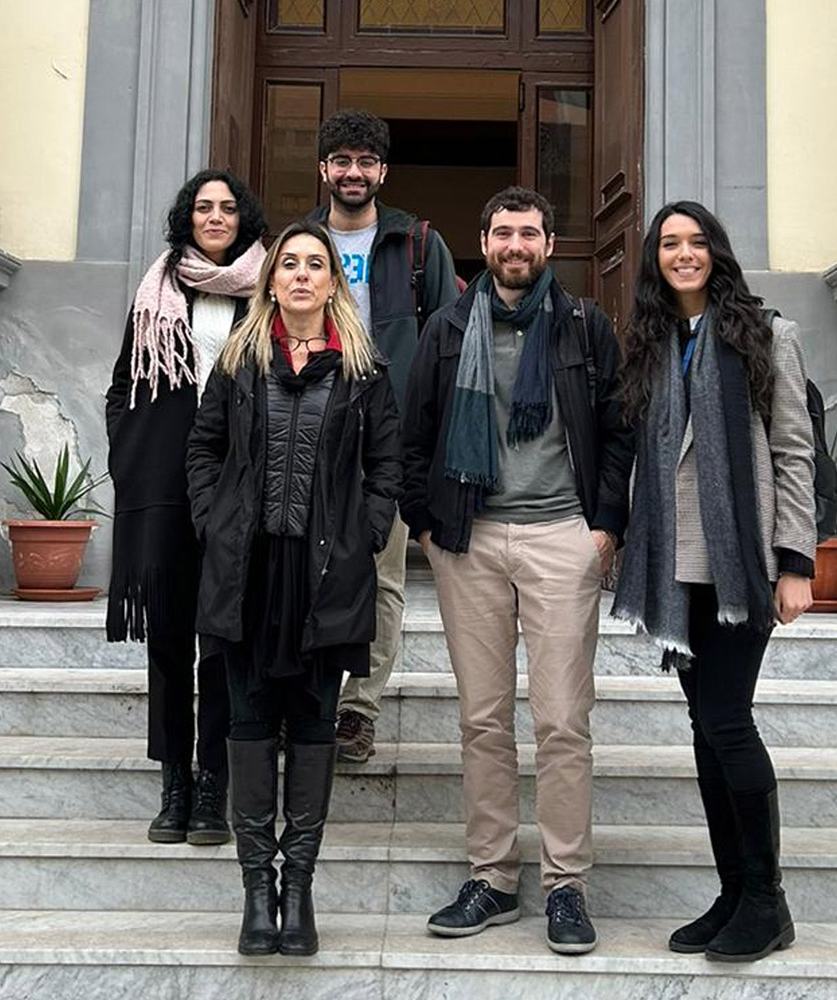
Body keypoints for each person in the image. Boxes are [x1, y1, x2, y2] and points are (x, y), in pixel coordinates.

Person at [402, 186, 632, 956]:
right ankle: (493, 878)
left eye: (529, 234)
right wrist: (427, 527)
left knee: (562, 721)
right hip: (469, 541)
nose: (515, 246)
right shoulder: (447, 328)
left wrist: (604, 528)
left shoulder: (583, 325)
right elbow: (414, 435)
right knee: (483, 720)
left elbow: (618, 429)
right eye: (503, 233)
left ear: (548, 244)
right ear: (484, 241)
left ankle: (567, 885)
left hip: (561, 536)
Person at [186, 221, 402, 957]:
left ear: (333, 282)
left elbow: (387, 465)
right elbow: (204, 448)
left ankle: (299, 889)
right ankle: (257, 892)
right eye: (290, 264)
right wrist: (214, 521)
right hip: (247, 572)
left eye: (316, 264)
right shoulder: (239, 361)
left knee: (312, 724)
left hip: (325, 575)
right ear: (271, 281)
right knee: (248, 720)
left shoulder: (364, 371)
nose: (302, 275)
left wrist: (366, 534)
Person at [610, 200, 816, 963]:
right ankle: (734, 892)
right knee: (706, 728)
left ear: (716, 253)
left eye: (697, 242)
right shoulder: (653, 343)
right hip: (677, 565)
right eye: (670, 244)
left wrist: (796, 563)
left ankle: (767, 900)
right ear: (655, 260)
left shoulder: (767, 335)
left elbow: (794, 451)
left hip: (741, 565)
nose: (684, 254)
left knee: (728, 722)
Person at [105, 168, 267, 845]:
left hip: (237, 485)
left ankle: (212, 786)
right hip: (165, 487)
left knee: (222, 640)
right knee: (169, 640)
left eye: (228, 207)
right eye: (204, 207)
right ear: (188, 218)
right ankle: (174, 782)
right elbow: (123, 384)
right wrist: (129, 457)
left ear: (243, 218)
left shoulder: (265, 292)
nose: (216, 217)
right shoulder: (158, 290)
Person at [307, 109, 459, 765]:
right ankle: (308, 698)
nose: (353, 172)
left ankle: (358, 709)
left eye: (365, 162)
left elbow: (451, 343)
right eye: (342, 161)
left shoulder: (416, 242)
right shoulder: (300, 241)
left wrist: (432, 437)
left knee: (382, 577)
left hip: (387, 436)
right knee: (303, 569)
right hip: (308, 429)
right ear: (324, 169)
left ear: (383, 171)